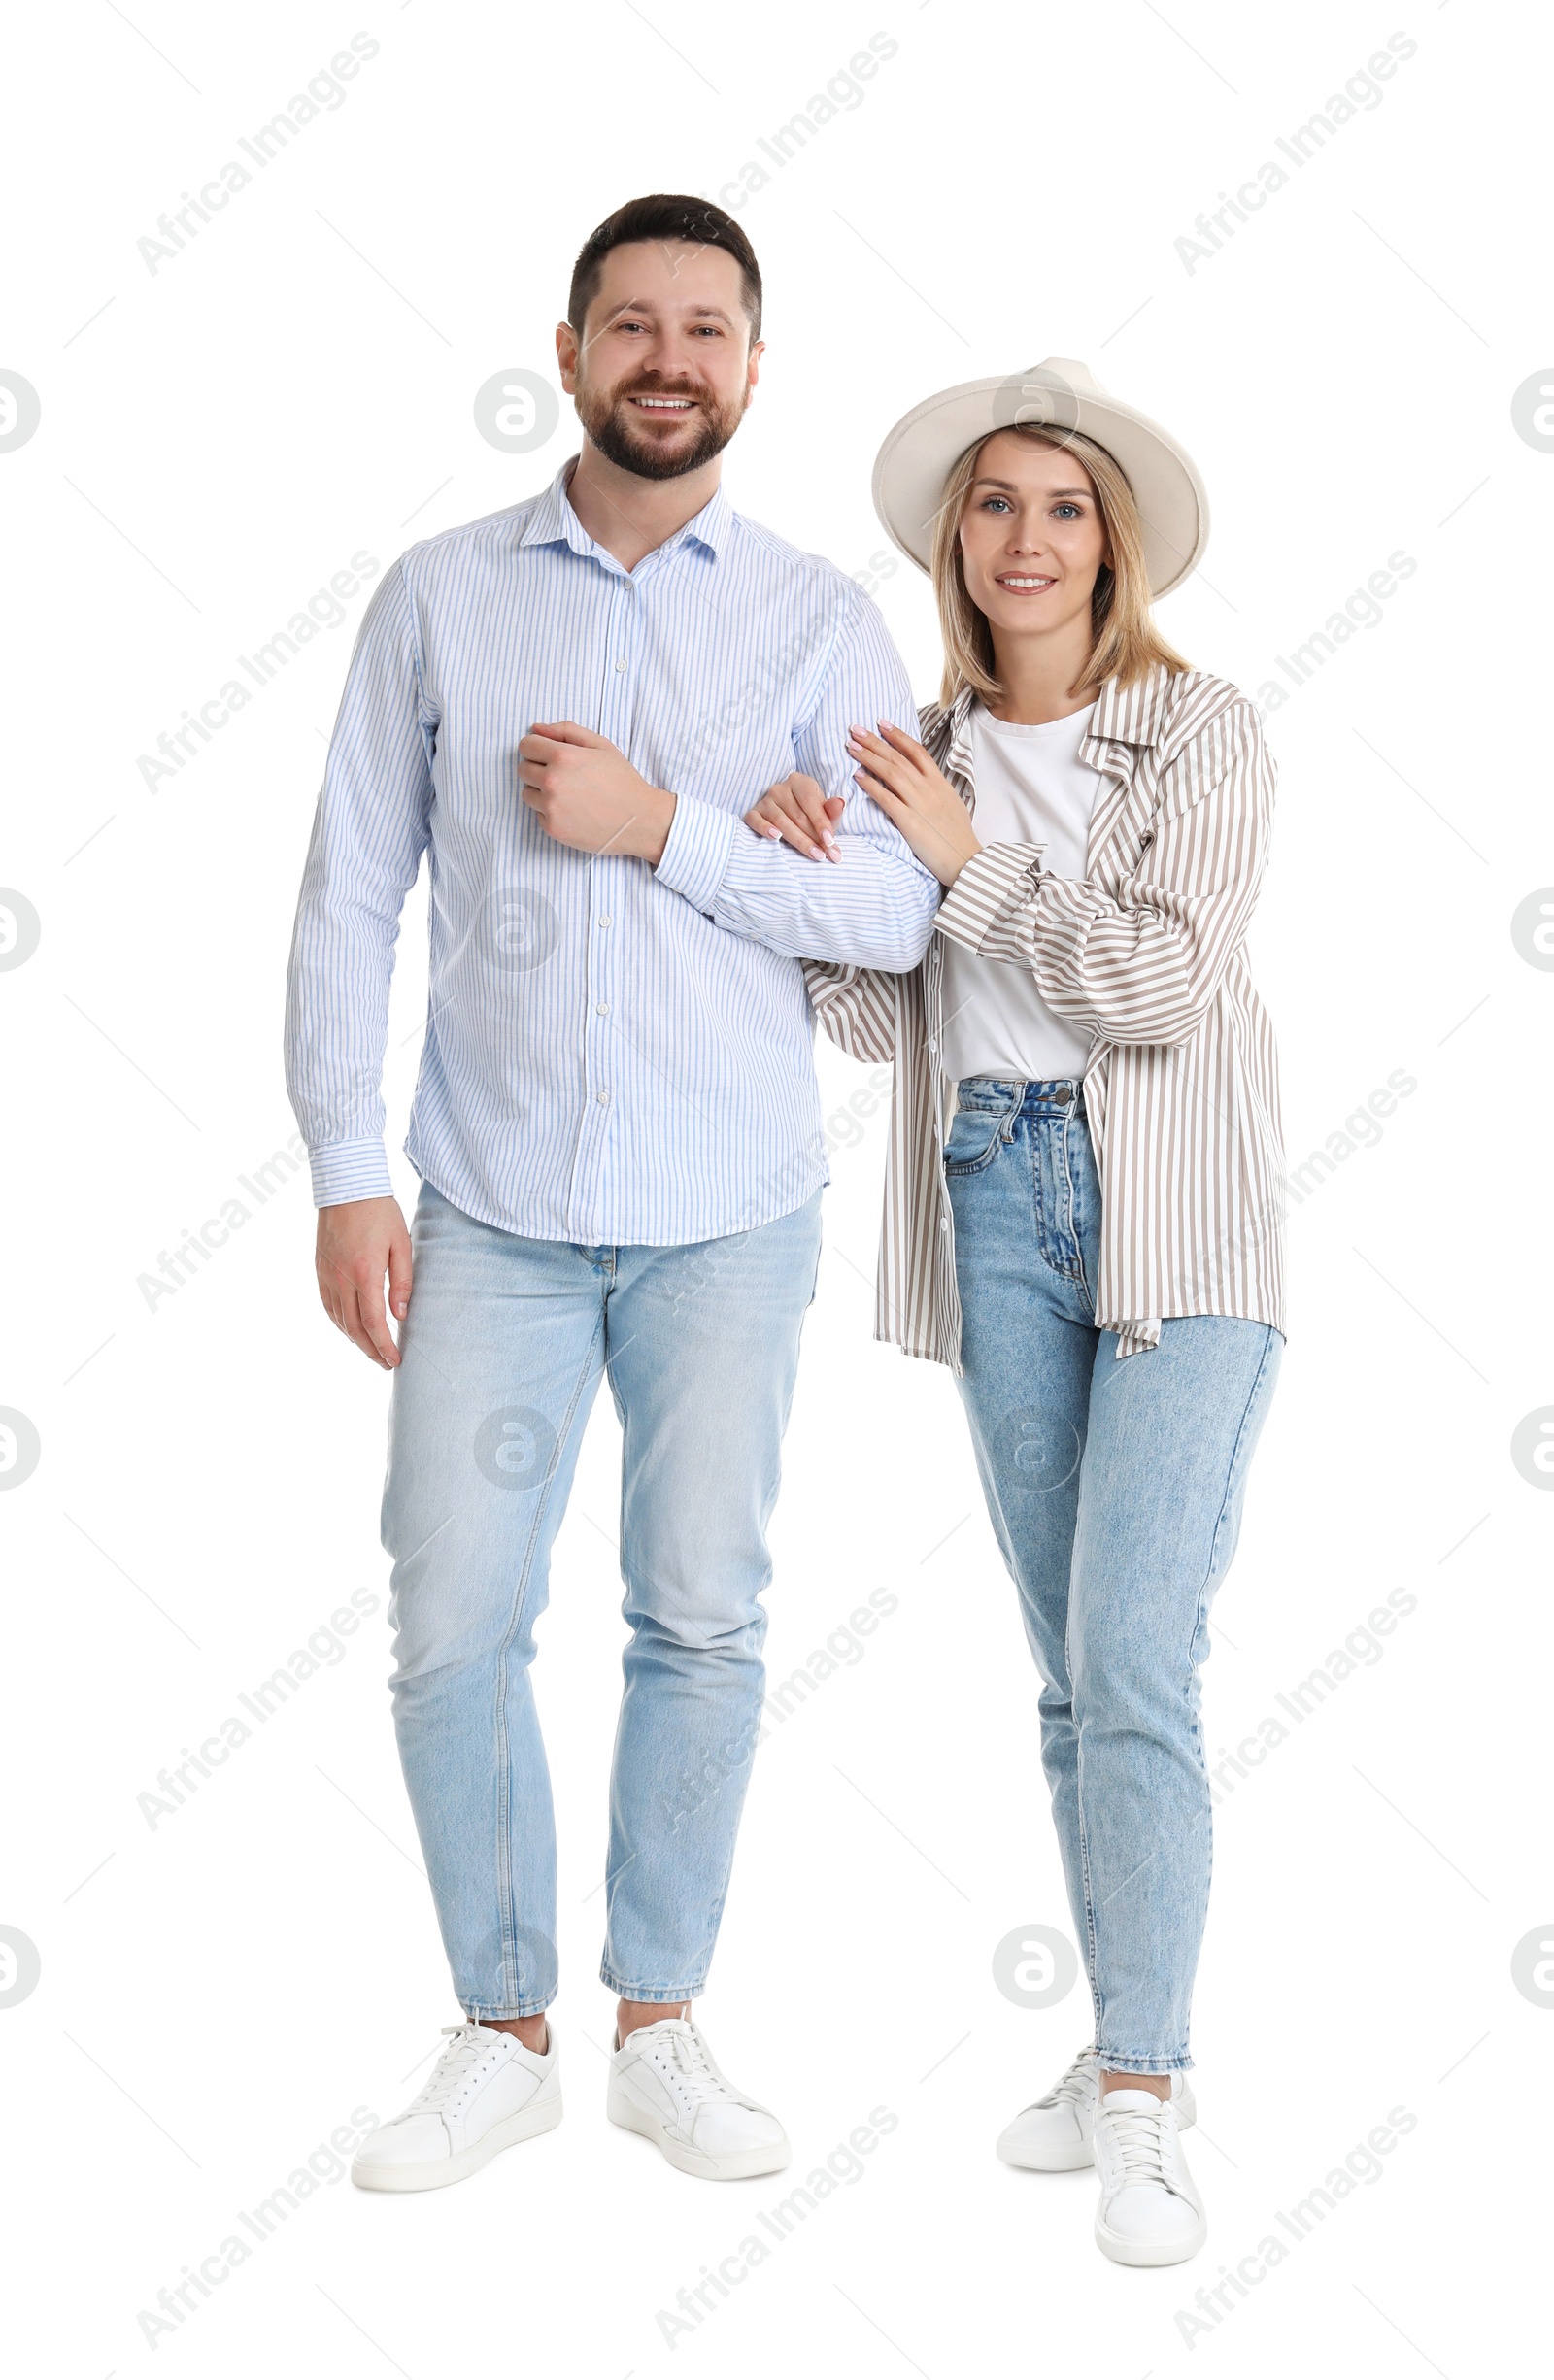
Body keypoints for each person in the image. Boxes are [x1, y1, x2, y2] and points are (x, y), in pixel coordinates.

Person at [284, 194, 938, 2193]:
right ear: (567, 351)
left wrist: (664, 830)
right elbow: (346, 893)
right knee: (454, 1617)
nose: (669, 358)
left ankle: (660, 2020)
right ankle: (500, 2028)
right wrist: (336, 1170)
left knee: (702, 1615)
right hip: (486, 1199)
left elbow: (899, 914)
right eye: (631, 323)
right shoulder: (439, 594)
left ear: (753, 369)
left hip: (729, 1207)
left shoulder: (820, 615)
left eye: (707, 329)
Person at [745, 361, 1285, 2266]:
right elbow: (888, 1019)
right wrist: (814, 876)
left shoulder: (1198, 731)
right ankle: (1117, 2046)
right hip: (989, 1195)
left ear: (1108, 541)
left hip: (1173, 1233)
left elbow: (1145, 983)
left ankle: (1143, 2087)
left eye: (1059, 507)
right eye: (992, 506)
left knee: (1131, 1646)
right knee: (1069, 1661)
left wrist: (965, 872)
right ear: (951, 545)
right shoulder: (913, 749)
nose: (1025, 538)